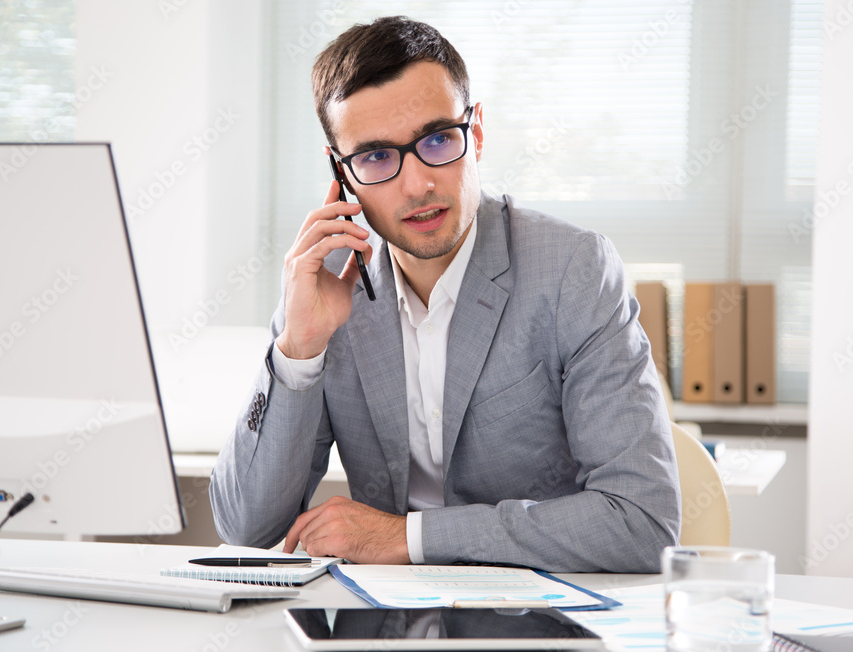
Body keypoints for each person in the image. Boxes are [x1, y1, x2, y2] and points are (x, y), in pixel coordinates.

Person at [210, 16, 681, 573]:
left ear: (475, 134)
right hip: (384, 621)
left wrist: (408, 537)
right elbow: (246, 529)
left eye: (437, 140)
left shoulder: (572, 270)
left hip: (537, 616)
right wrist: (298, 351)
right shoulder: (327, 283)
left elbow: (642, 522)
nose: (417, 185)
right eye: (376, 157)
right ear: (341, 172)